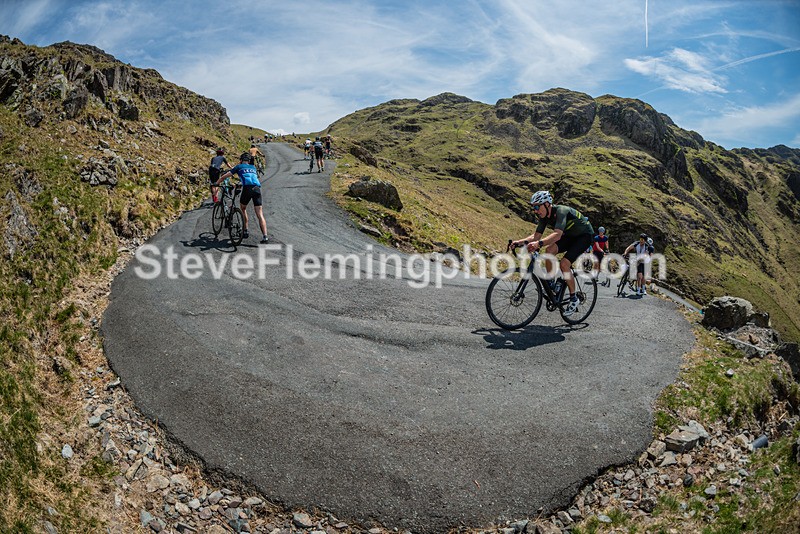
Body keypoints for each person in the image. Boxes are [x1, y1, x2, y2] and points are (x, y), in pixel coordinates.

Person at [511, 190, 594, 316]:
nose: (536, 211)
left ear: (547, 204)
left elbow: (557, 234)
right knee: (549, 250)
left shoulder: (561, 211)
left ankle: (573, 299)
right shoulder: (543, 217)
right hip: (570, 235)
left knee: (564, 264)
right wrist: (519, 242)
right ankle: (552, 283)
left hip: (584, 236)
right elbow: (536, 236)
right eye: (534, 208)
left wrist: (539, 244)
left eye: (537, 207)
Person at [215, 152, 269, 244]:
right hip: (257, 189)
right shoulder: (253, 167)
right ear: (248, 160)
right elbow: (249, 176)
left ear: (241, 160)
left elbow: (225, 176)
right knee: (260, 214)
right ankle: (265, 236)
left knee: (243, 208)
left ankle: (246, 230)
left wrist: (217, 183)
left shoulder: (238, 167)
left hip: (247, 188)